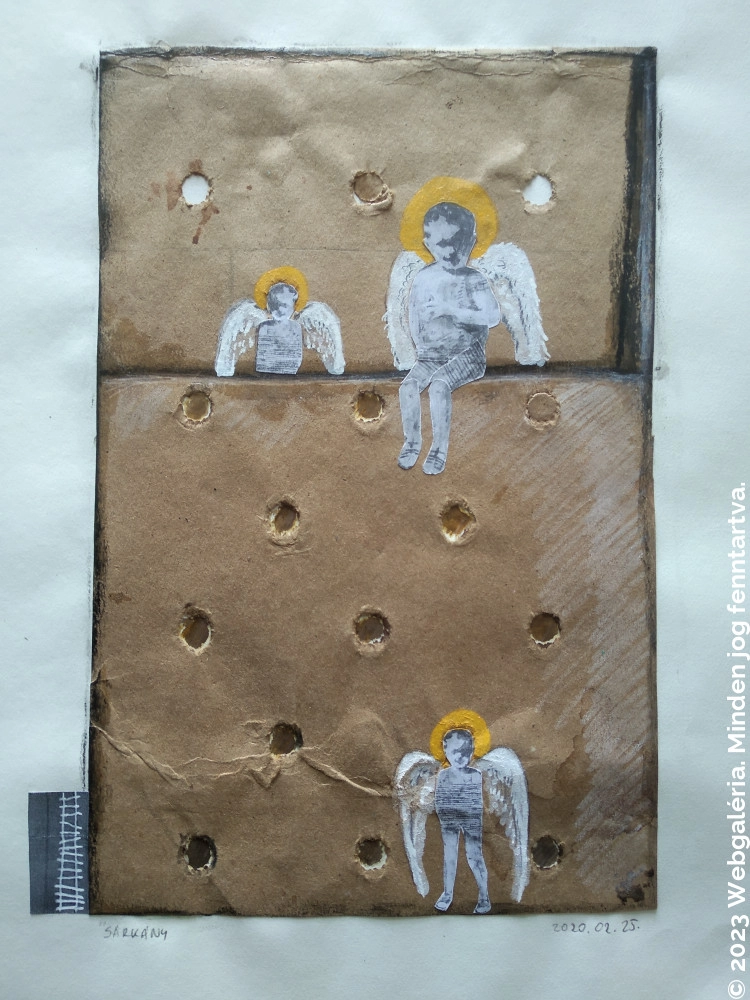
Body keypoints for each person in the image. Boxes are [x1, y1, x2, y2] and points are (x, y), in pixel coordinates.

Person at [398, 202, 501, 474]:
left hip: (467, 354)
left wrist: (452, 310)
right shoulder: (424, 278)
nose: (452, 250)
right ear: (428, 244)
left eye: (460, 242)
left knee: (439, 386)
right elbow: (414, 314)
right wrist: (420, 349)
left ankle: (439, 449)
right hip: (431, 355)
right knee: (408, 388)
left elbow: (492, 316)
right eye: (444, 243)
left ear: (472, 241)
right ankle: (412, 441)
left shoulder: (473, 279)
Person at [434, 728, 491, 914]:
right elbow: (439, 801)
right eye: (455, 751)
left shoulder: (475, 775)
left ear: (472, 750)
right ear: (445, 750)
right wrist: (446, 815)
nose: (461, 756)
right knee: (449, 856)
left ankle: (484, 897)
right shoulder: (443, 776)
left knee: (475, 856)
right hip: (449, 821)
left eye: (466, 751)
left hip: (471, 820)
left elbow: (476, 803)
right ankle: (447, 894)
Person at [255, 282, 303, 374]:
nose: (282, 309)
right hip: (267, 371)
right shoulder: (264, 327)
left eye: (287, 306)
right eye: (280, 305)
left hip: (289, 371)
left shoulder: (296, 327)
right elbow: (263, 356)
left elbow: (297, 356)